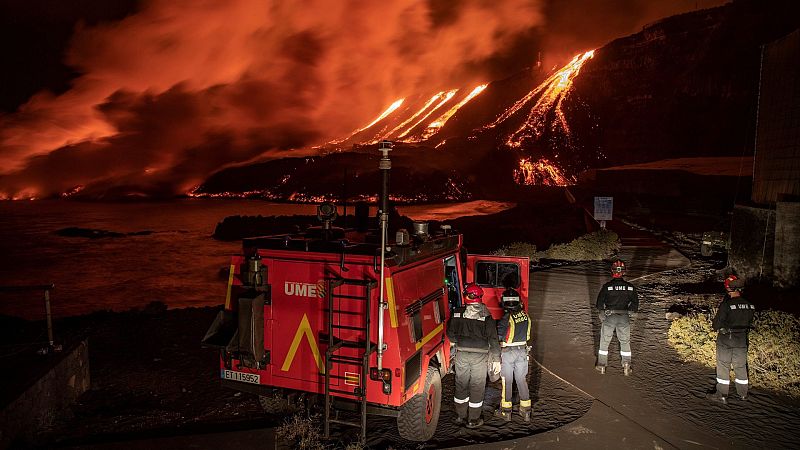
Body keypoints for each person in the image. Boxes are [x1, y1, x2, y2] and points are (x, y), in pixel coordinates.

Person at [447, 283, 501, 429]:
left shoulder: (457, 313)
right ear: (480, 297)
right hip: (480, 357)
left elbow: (450, 334)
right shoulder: (486, 316)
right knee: (477, 386)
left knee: (461, 384)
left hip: (462, 355)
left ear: (466, 296)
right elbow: (493, 339)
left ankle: (460, 416)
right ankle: (473, 420)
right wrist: (496, 359)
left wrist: (459, 341)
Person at [707, 274, 755, 404]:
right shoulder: (750, 305)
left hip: (726, 338)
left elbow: (716, 325)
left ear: (728, 289)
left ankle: (722, 394)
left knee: (723, 365)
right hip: (741, 339)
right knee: (740, 366)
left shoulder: (727, 305)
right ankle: (743, 394)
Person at [495, 287, 532, 422]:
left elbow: (499, 335)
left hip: (508, 352)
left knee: (507, 381)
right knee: (521, 380)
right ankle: (526, 410)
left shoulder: (506, 318)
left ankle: (506, 411)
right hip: (522, 350)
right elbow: (527, 335)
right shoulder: (525, 316)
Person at [595, 259, 638, 375]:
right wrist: (629, 312)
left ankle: (602, 365)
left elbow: (599, 304)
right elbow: (635, 304)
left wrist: (602, 314)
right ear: (623, 272)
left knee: (604, 341)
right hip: (624, 316)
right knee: (625, 341)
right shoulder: (630, 287)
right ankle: (626, 366)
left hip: (609, 316)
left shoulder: (607, 287)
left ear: (612, 271)